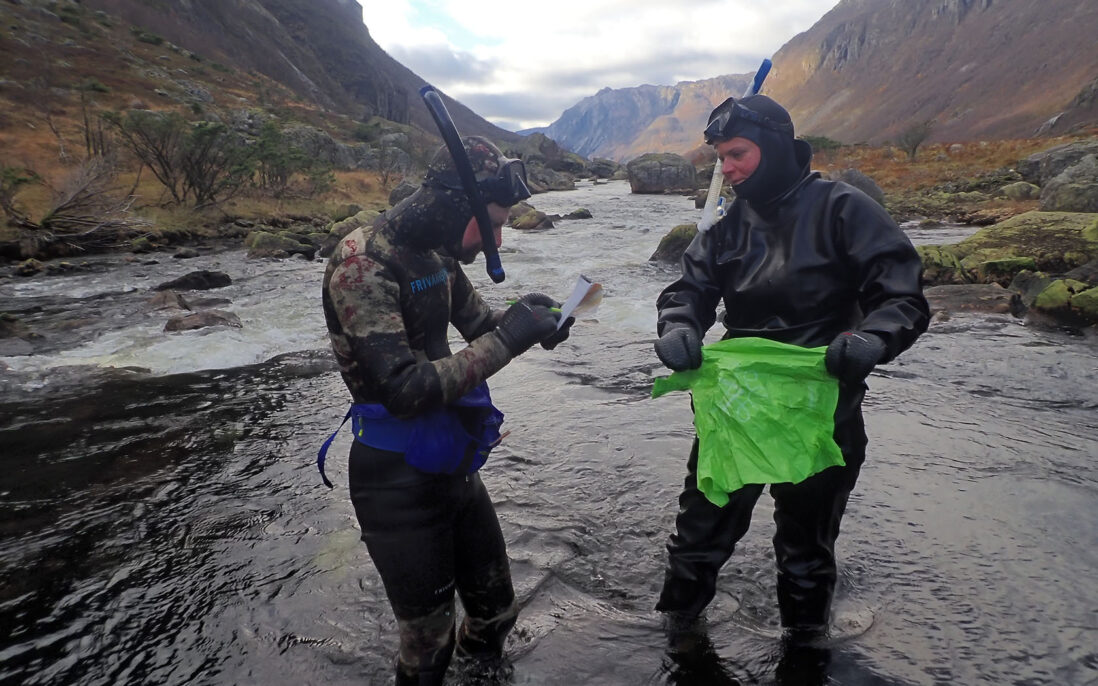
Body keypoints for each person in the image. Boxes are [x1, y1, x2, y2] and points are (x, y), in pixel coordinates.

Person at [652, 95, 929, 642]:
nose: (727, 169)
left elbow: (902, 296)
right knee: (698, 537)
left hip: (822, 407)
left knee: (805, 551)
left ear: (776, 148)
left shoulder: (844, 209)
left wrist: (871, 339)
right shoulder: (726, 227)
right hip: (736, 412)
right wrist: (678, 328)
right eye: (721, 159)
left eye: (738, 154)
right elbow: (689, 290)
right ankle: (673, 639)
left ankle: (805, 650)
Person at [320, 135, 573, 685]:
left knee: (496, 614)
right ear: (458, 206)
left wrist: (535, 323)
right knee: (428, 647)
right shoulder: (363, 264)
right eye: (493, 224)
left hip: (450, 463)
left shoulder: (437, 255)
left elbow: (484, 328)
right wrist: (510, 340)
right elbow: (404, 389)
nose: (495, 241)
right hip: (395, 478)